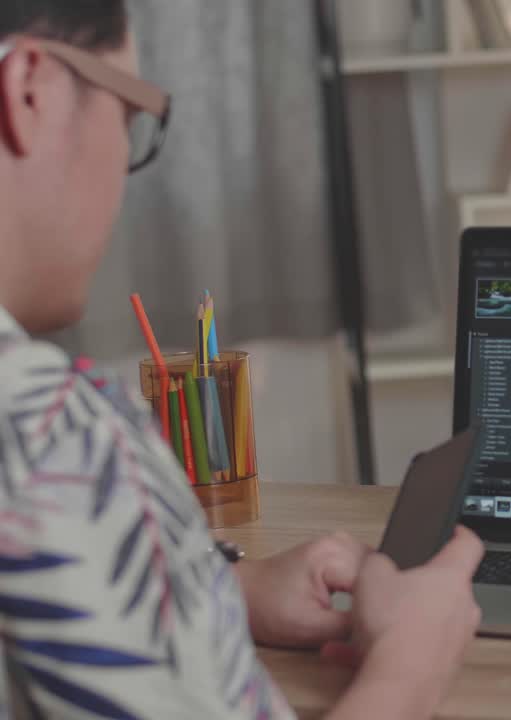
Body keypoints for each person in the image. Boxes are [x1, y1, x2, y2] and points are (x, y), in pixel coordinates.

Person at [0, 2, 484, 717]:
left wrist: (219, 589)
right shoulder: (50, 436)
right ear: (30, 90)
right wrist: (412, 661)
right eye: (131, 116)